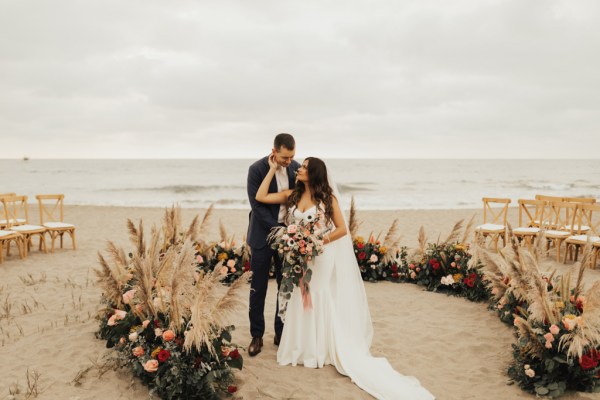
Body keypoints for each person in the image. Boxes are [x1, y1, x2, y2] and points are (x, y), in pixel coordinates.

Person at [255, 156, 435, 400]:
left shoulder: (327, 199)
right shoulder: (293, 195)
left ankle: (319, 349)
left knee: (317, 293)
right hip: (299, 255)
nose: (300, 168)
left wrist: (315, 242)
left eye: (305, 167)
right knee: (300, 294)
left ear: (314, 173)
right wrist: (273, 169)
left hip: (321, 254)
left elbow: (341, 229)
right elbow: (261, 197)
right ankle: (299, 348)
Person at [246, 133, 301, 357]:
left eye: (292, 157)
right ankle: (257, 336)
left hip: (287, 237)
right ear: (274, 151)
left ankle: (281, 333)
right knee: (258, 288)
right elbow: (257, 206)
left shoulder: (297, 168)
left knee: (284, 286)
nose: (289, 162)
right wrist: (278, 230)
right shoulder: (256, 169)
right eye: (285, 157)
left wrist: (291, 231)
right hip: (262, 235)